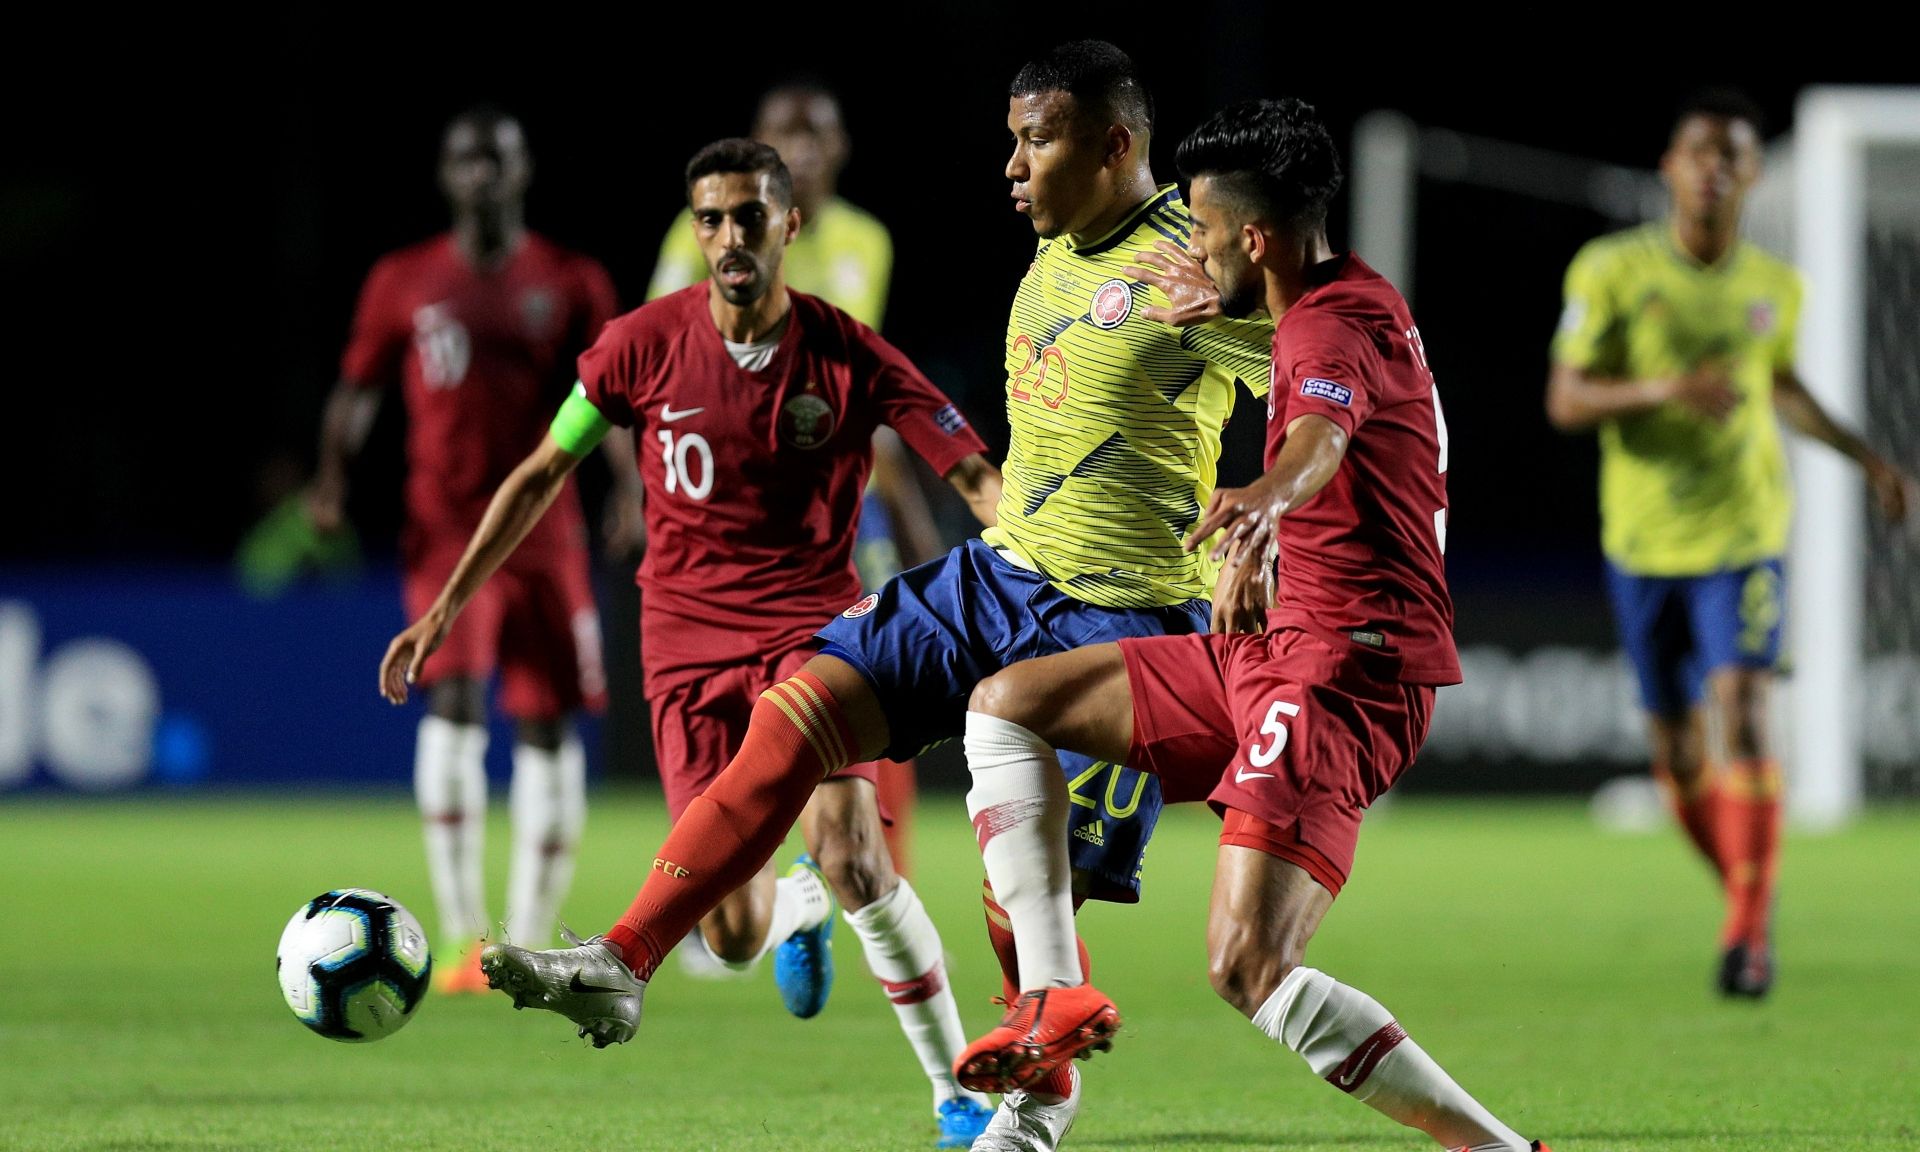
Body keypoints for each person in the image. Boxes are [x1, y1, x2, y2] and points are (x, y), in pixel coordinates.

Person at [472, 38, 1273, 1149]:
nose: (1012, 166)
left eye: (1036, 141)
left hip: (1126, 617)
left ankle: (1031, 1120)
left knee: (1021, 905)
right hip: (1002, 576)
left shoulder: (1206, 260)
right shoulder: (1056, 251)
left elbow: (1351, 386)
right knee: (799, 709)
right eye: (1011, 140)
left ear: (1115, 144)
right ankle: (623, 961)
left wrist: (1273, 511)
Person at [950, 97, 1552, 1152]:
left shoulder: (1327, 326)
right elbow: (1332, 418)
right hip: (1269, 652)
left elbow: (1317, 439)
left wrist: (1265, 506)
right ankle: (1050, 1008)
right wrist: (1265, 534)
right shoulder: (1336, 296)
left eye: (1206, 230)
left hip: (1343, 677)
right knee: (1009, 709)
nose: (1189, 246)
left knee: (1245, 965)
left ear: (1258, 237)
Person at [380, 138, 1003, 1148]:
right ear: (694, 231)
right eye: (710, 219)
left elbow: (969, 468)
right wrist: (445, 607)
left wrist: (1041, 565)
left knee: (855, 854)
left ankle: (957, 1094)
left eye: (749, 216)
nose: (729, 238)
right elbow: (543, 469)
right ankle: (790, 908)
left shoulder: (848, 352)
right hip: (684, 652)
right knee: (735, 932)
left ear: (790, 225)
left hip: (815, 634)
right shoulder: (639, 346)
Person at [1545, 88, 1915, 998]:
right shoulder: (1611, 271)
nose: (1714, 169)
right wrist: (1662, 390)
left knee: (1745, 706)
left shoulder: (1773, 286)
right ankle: (1746, 896)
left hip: (1747, 531)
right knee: (1675, 748)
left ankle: (1747, 930)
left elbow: (1778, 384)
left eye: (1732, 156)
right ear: (1670, 168)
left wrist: (1867, 458)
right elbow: (1567, 399)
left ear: (1752, 175)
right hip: (1643, 539)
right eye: (1699, 152)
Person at [309, 106, 619, 993]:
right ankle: (460, 937)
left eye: (497, 158)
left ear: (523, 171)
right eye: (465, 160)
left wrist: (631, 491)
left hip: (546, 530)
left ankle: (523, 939)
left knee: (549, 721)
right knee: (451, 704)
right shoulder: (404, 279)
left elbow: (614, 390)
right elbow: (357, 387)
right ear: (446, 176)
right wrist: (332, 479)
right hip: (442, 528)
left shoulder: (571, 279)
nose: (481, 173)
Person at [648, 79, 940, 896]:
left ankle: (880, 883)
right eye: (786, 131)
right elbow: (659, 366)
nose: (804, 145)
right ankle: (745, 877)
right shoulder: (698, 233)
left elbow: (871, 395)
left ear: (842, 147)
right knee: (748, 688)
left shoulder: (867, 241)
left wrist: (913, 523)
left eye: (819, 132)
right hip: (732, 510)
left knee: (883, 678)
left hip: (844, 508)